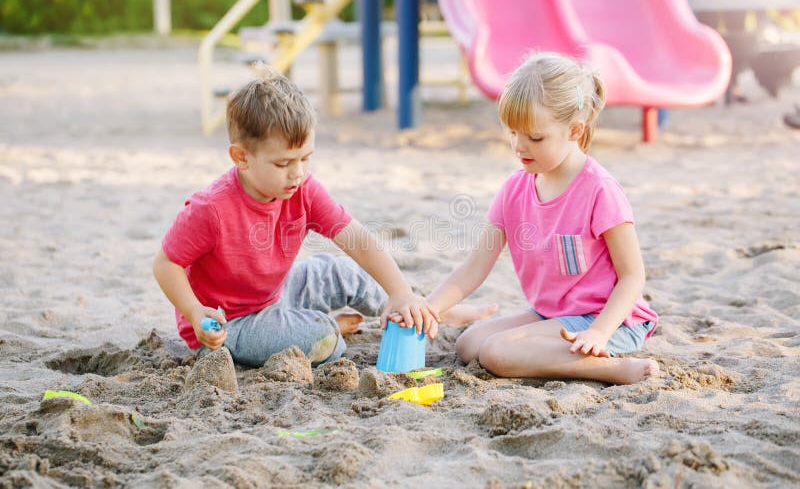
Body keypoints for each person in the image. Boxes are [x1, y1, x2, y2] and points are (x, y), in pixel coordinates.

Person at [153, 67, 490, 367]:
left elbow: (355, 237)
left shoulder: (303, 189)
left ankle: (428, 310)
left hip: (276, 294)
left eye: (306, 159)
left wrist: (399, 291)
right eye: (283, 163)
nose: (297, 174)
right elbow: (166, 263)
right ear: (241, 157)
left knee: (344, 271)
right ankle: (328, 323)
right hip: (231, 325)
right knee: (323, 338)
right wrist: (195, 311)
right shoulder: (211, 209)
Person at [420, 52, 659, 385]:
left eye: (534, 137)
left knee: (496, 353)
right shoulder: (515, 188)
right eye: (513, 133)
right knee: (469, 344)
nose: (519, 147)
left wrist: (599, 332)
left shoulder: (599, 190)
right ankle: (561, 354)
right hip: (553, 315)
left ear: (574, 130)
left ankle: (610, 370)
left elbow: (633, 276)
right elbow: (475, 267)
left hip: (609, 320)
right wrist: (428, 308)